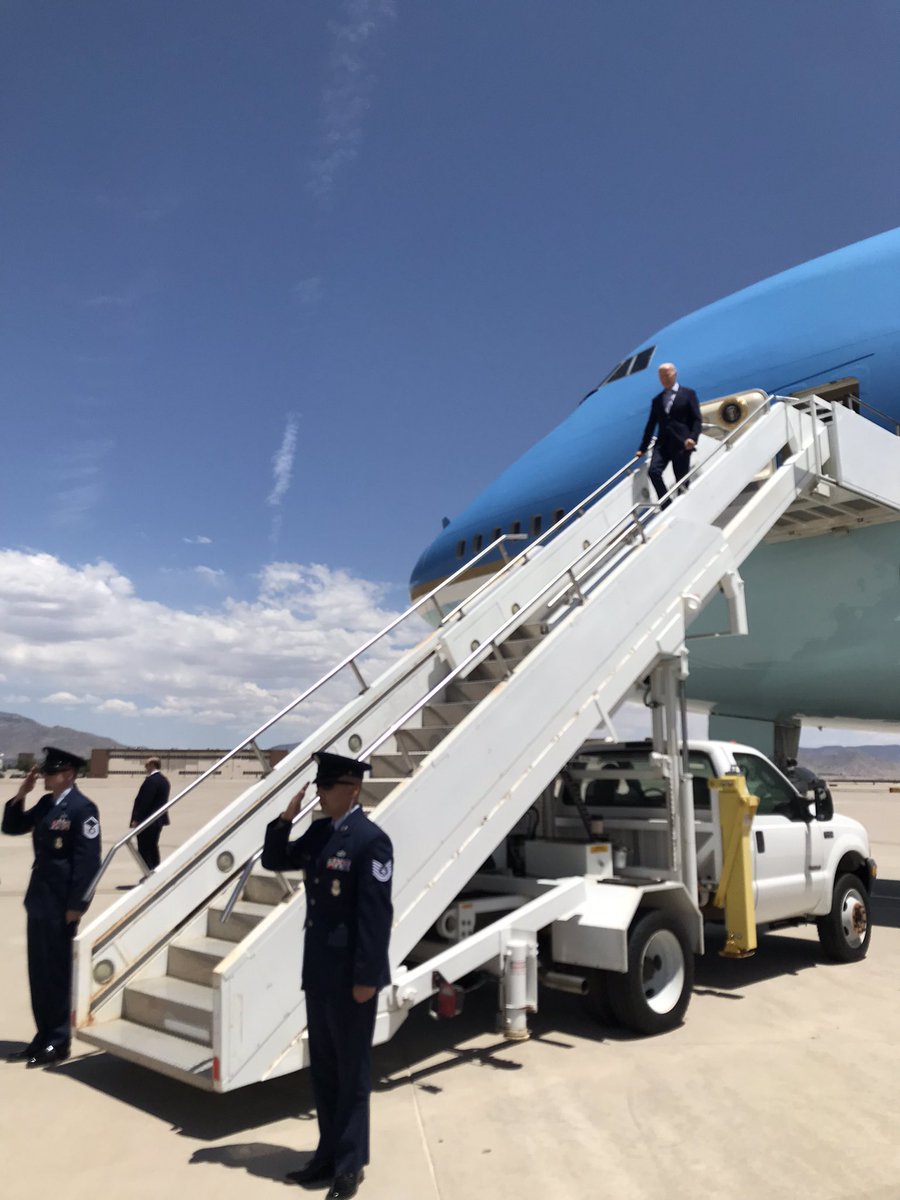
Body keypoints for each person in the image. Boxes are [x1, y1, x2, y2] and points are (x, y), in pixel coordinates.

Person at [262, 751, 393, 1200]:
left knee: (352, 1072)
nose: (319, 792)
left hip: (351, 976)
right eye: (318, 785)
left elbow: (375, 917)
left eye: (326, 786)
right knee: (324, 1069)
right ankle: (326, 1155)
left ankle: (349, 1167)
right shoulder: (319, 832)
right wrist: (285, 819)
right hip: (319, 970)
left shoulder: (371, 841)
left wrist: (367, 977)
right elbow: (275, 860)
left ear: (352, 790)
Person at [1, 746, 101, 1067]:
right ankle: (42, 1036)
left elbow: (87, 863)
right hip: (40, 900)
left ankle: (59, 1041)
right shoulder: (46, 803)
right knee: (39, 973)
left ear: (68, 775)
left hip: (62, 905)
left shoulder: (82, 809)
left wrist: (77, 905)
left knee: (57, 974)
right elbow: (13, 826)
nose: (43, 776)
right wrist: (21, 795)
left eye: (50, 773)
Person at [636, 362, 702, 508]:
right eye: (661, 376)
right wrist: (643, 448)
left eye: (666, 375)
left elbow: (697, 419)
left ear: (674, 374)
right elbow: (650, 425)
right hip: (662, 445)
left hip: (682, 443)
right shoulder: (657, 400)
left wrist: (693, 437)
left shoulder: (688, 394)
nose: (664, 379)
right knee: (653, 472)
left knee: (681, 480)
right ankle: (667, 505)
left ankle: (683, 507)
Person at [129, 757, 170, 871]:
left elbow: (145, 802)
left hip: (148, 821)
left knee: (145, 849)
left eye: (147, 765)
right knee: (153, 847)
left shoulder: (151, 781)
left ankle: (149, 872)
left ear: (152, 765)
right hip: (158, 821)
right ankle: (155, 871)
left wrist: (136, 819)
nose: (145, 767)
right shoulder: (164, 780)